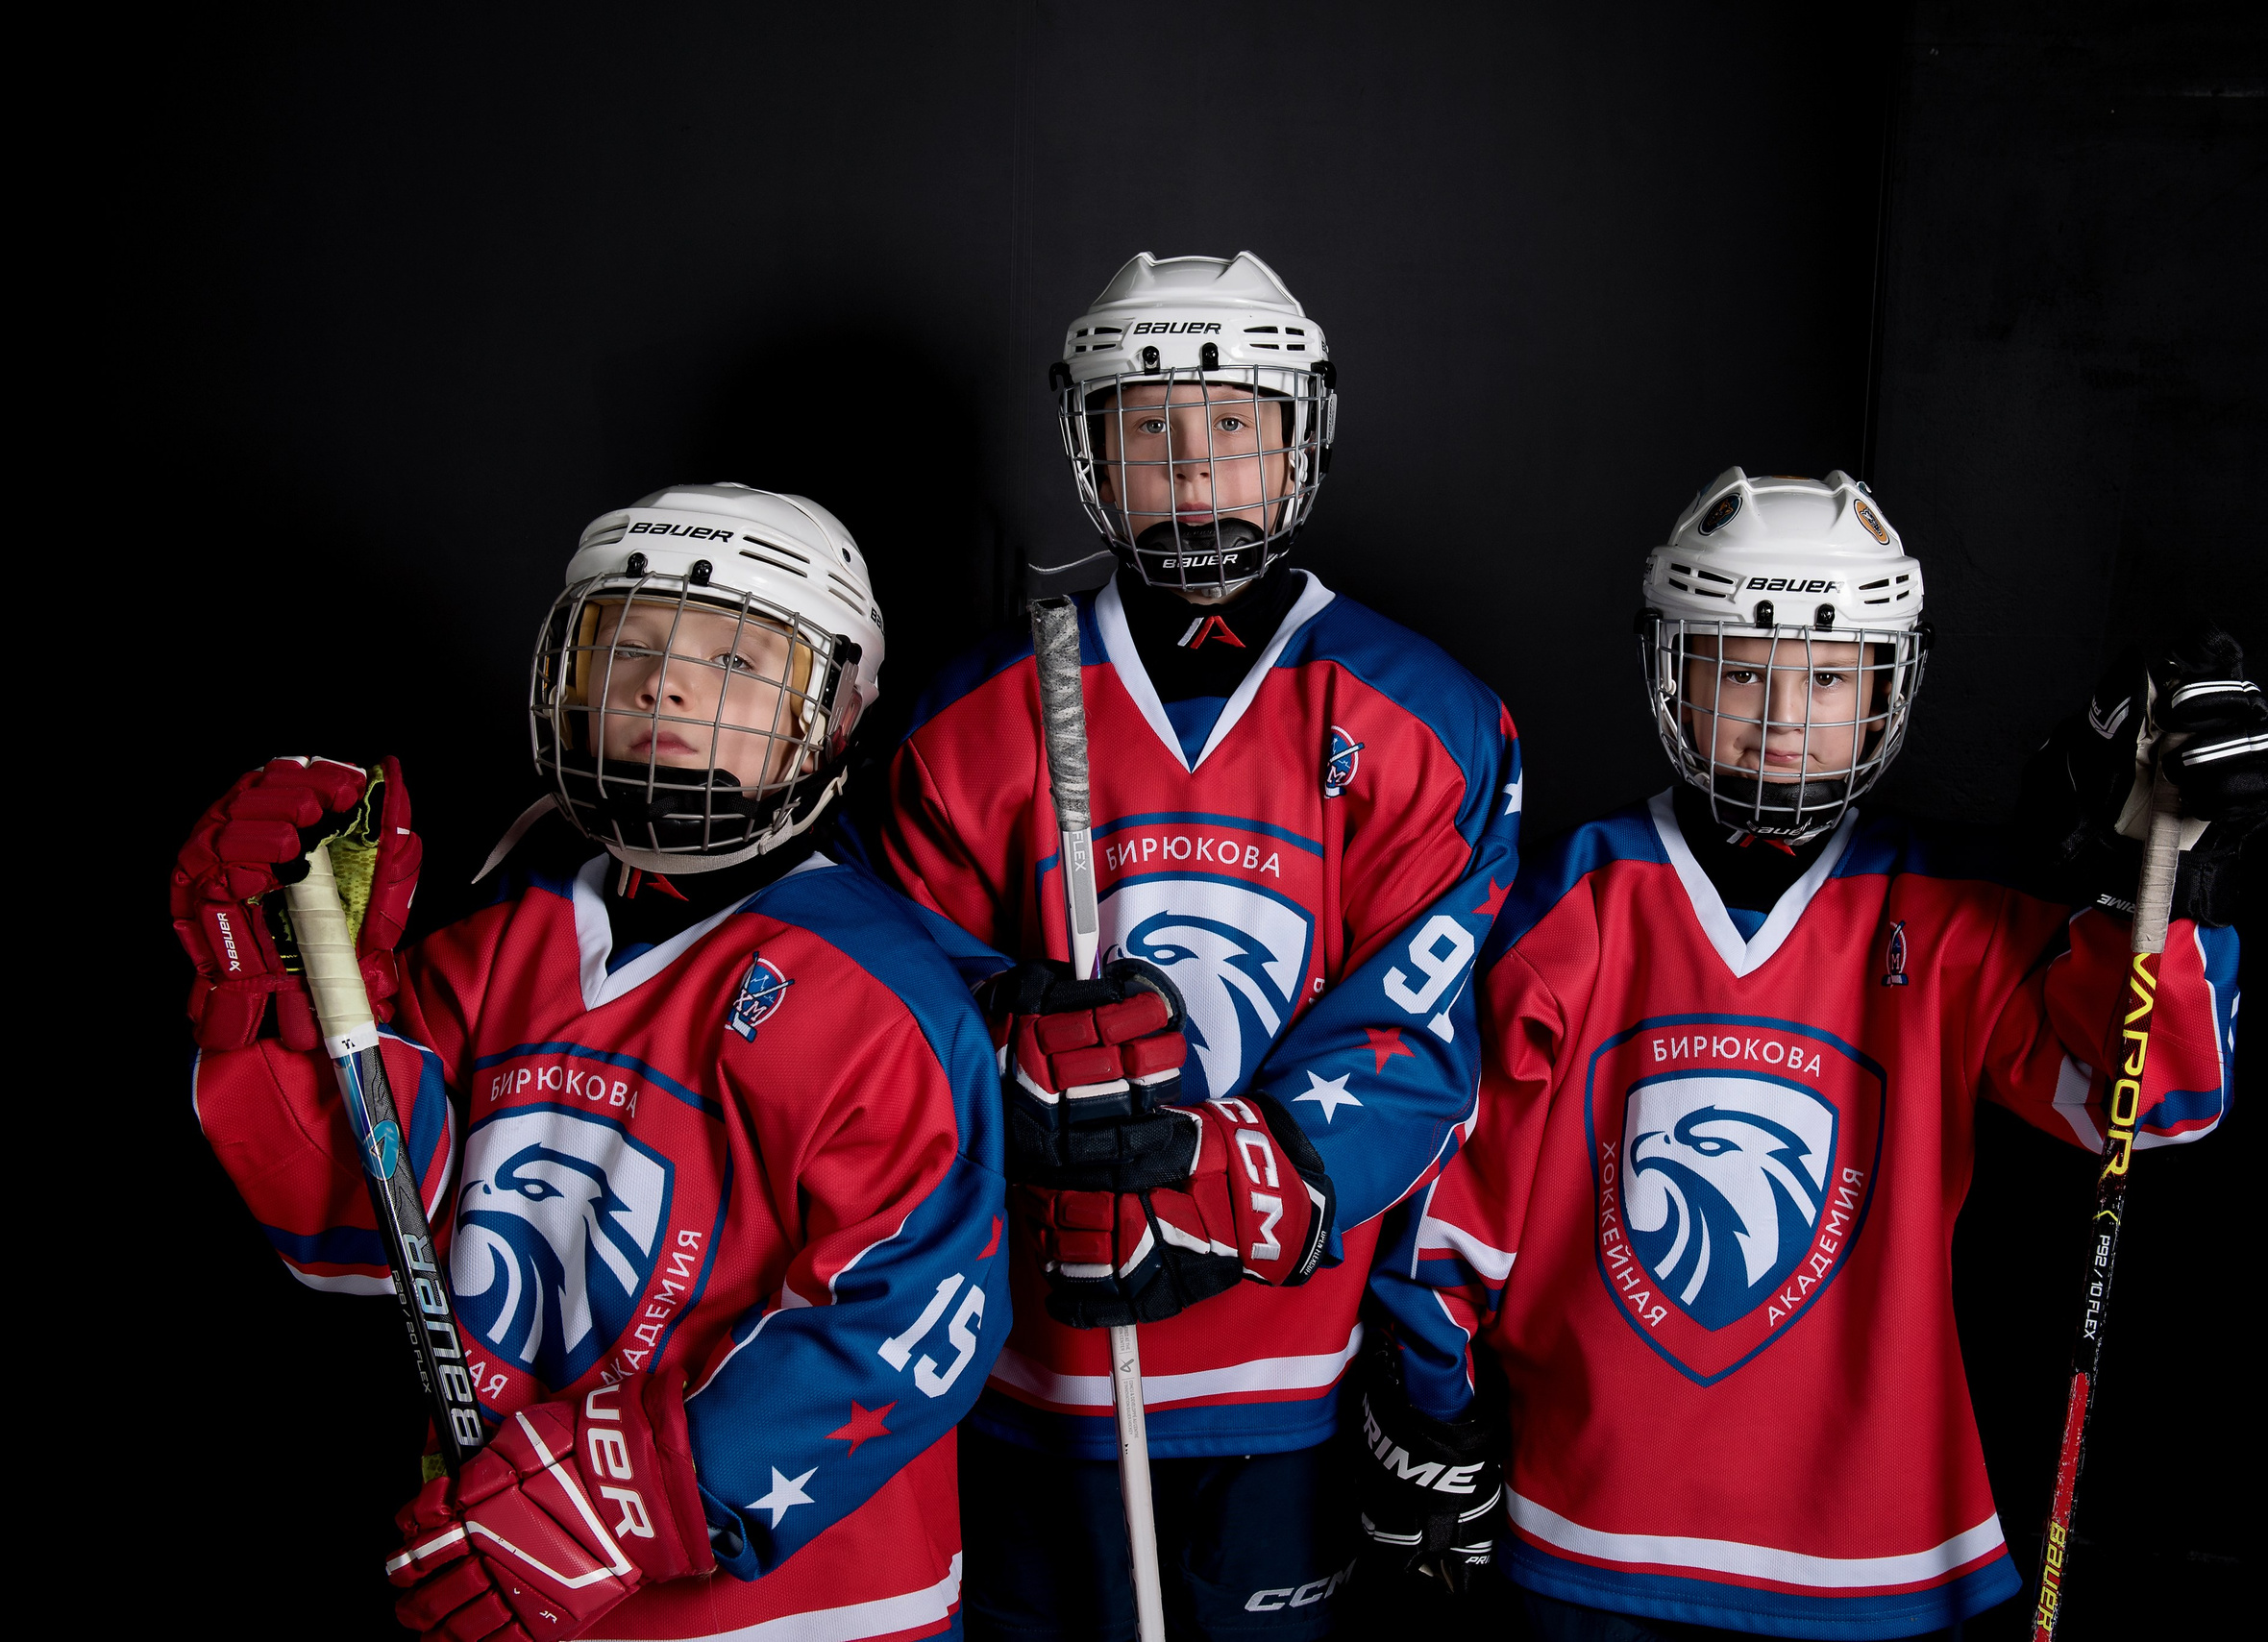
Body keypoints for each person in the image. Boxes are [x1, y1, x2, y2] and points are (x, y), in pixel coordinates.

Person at [1358, 469, 2268, 1638]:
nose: (1786, 715)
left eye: (1832, 676)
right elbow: (1457, 1202)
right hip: (1594, 1519)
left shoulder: (1951, 908)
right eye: (1743, 670)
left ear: (1890, 687)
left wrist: (2156, 877)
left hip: (1873, 1544)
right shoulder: (1572, 899)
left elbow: (2150, 1109)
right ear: (1672, 670)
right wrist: (1426, 1403)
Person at [170, 484, 1010, 1641]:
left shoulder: (880, 989)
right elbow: (363, 1235)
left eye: (737, 662)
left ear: (832, 716)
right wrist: (289, 1005)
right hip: (505, 1573)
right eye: (632, 648)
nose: (666, 682)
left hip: (800, 1609)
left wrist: (630, 1491)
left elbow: (916, 1311)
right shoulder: (493, 936)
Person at [873, 252, 1522, 1638]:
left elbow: (1415, 1024)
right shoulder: (967, 717)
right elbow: (895, 997)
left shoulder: (1431, 716)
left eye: (1233, 425)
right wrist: (1006, 1026)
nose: (1193, 465)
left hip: (1287, 1372)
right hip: (1028, 1366)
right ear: (1089, 445)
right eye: (1147, 426)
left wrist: (1249, 1176)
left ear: (1301, 437)